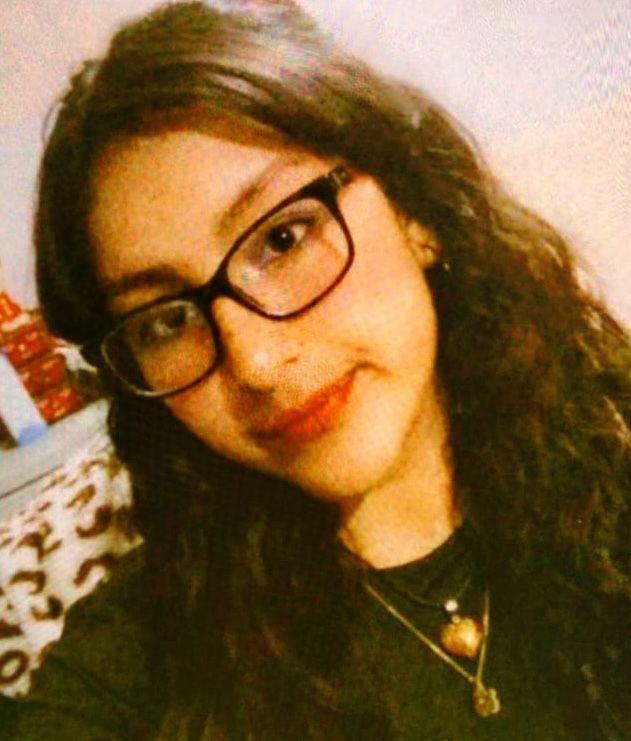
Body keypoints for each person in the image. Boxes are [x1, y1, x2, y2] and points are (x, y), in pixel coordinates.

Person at [2, 1, 630, 738]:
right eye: (165, 320)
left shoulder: (611, 446)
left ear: (414, 213)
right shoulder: (143, 662)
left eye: (283, 238)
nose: (258, 363)